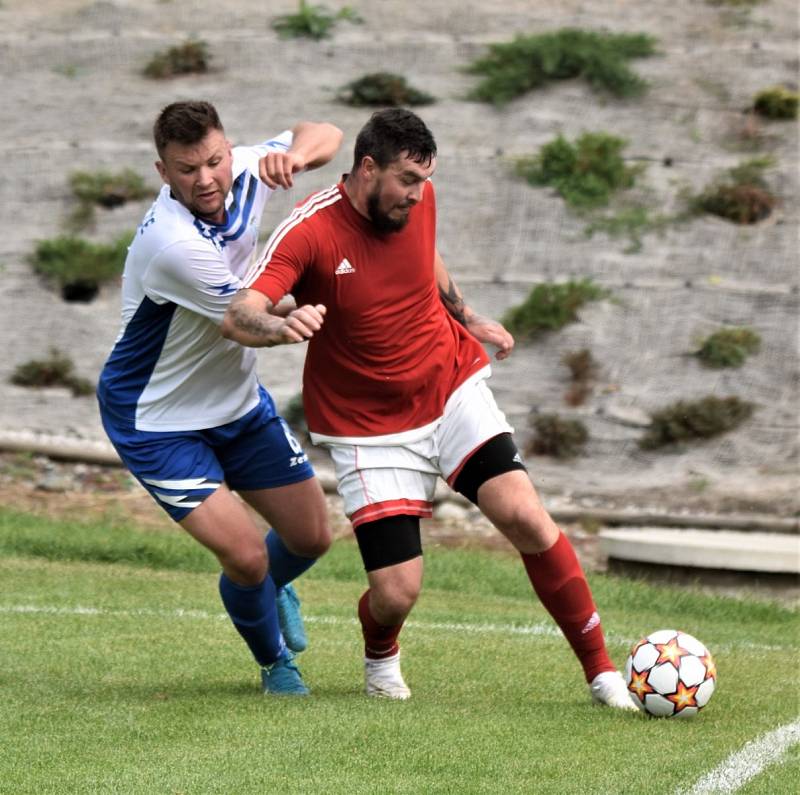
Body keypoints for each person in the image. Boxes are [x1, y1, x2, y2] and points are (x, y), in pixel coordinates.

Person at [220, 108, 636, 709]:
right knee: (396, 594)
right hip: (368, 428)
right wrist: (282, 328)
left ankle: (601, 674)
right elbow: (240, 313)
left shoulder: (416, 203)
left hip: (449, 386)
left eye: (425, 181)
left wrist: (467, 316)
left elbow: (426, 259)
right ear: (368, 168)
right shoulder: (310, 230)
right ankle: (380, 655)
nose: (419, 196)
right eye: (407, 181)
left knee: (524, 515)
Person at [97, 100, 343, 696]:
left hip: (234, 401)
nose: (205, 179)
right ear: (163, 172)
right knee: (248, 557)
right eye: (187, 169)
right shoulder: (171, 244)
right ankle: (275, 664)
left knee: (311, 538)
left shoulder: (249, 169)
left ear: (229, 149)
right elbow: (239, 319)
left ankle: (267, 589)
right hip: (157, 420)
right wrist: (290, 324)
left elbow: (327, 131)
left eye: (214, 161)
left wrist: (295, 156)